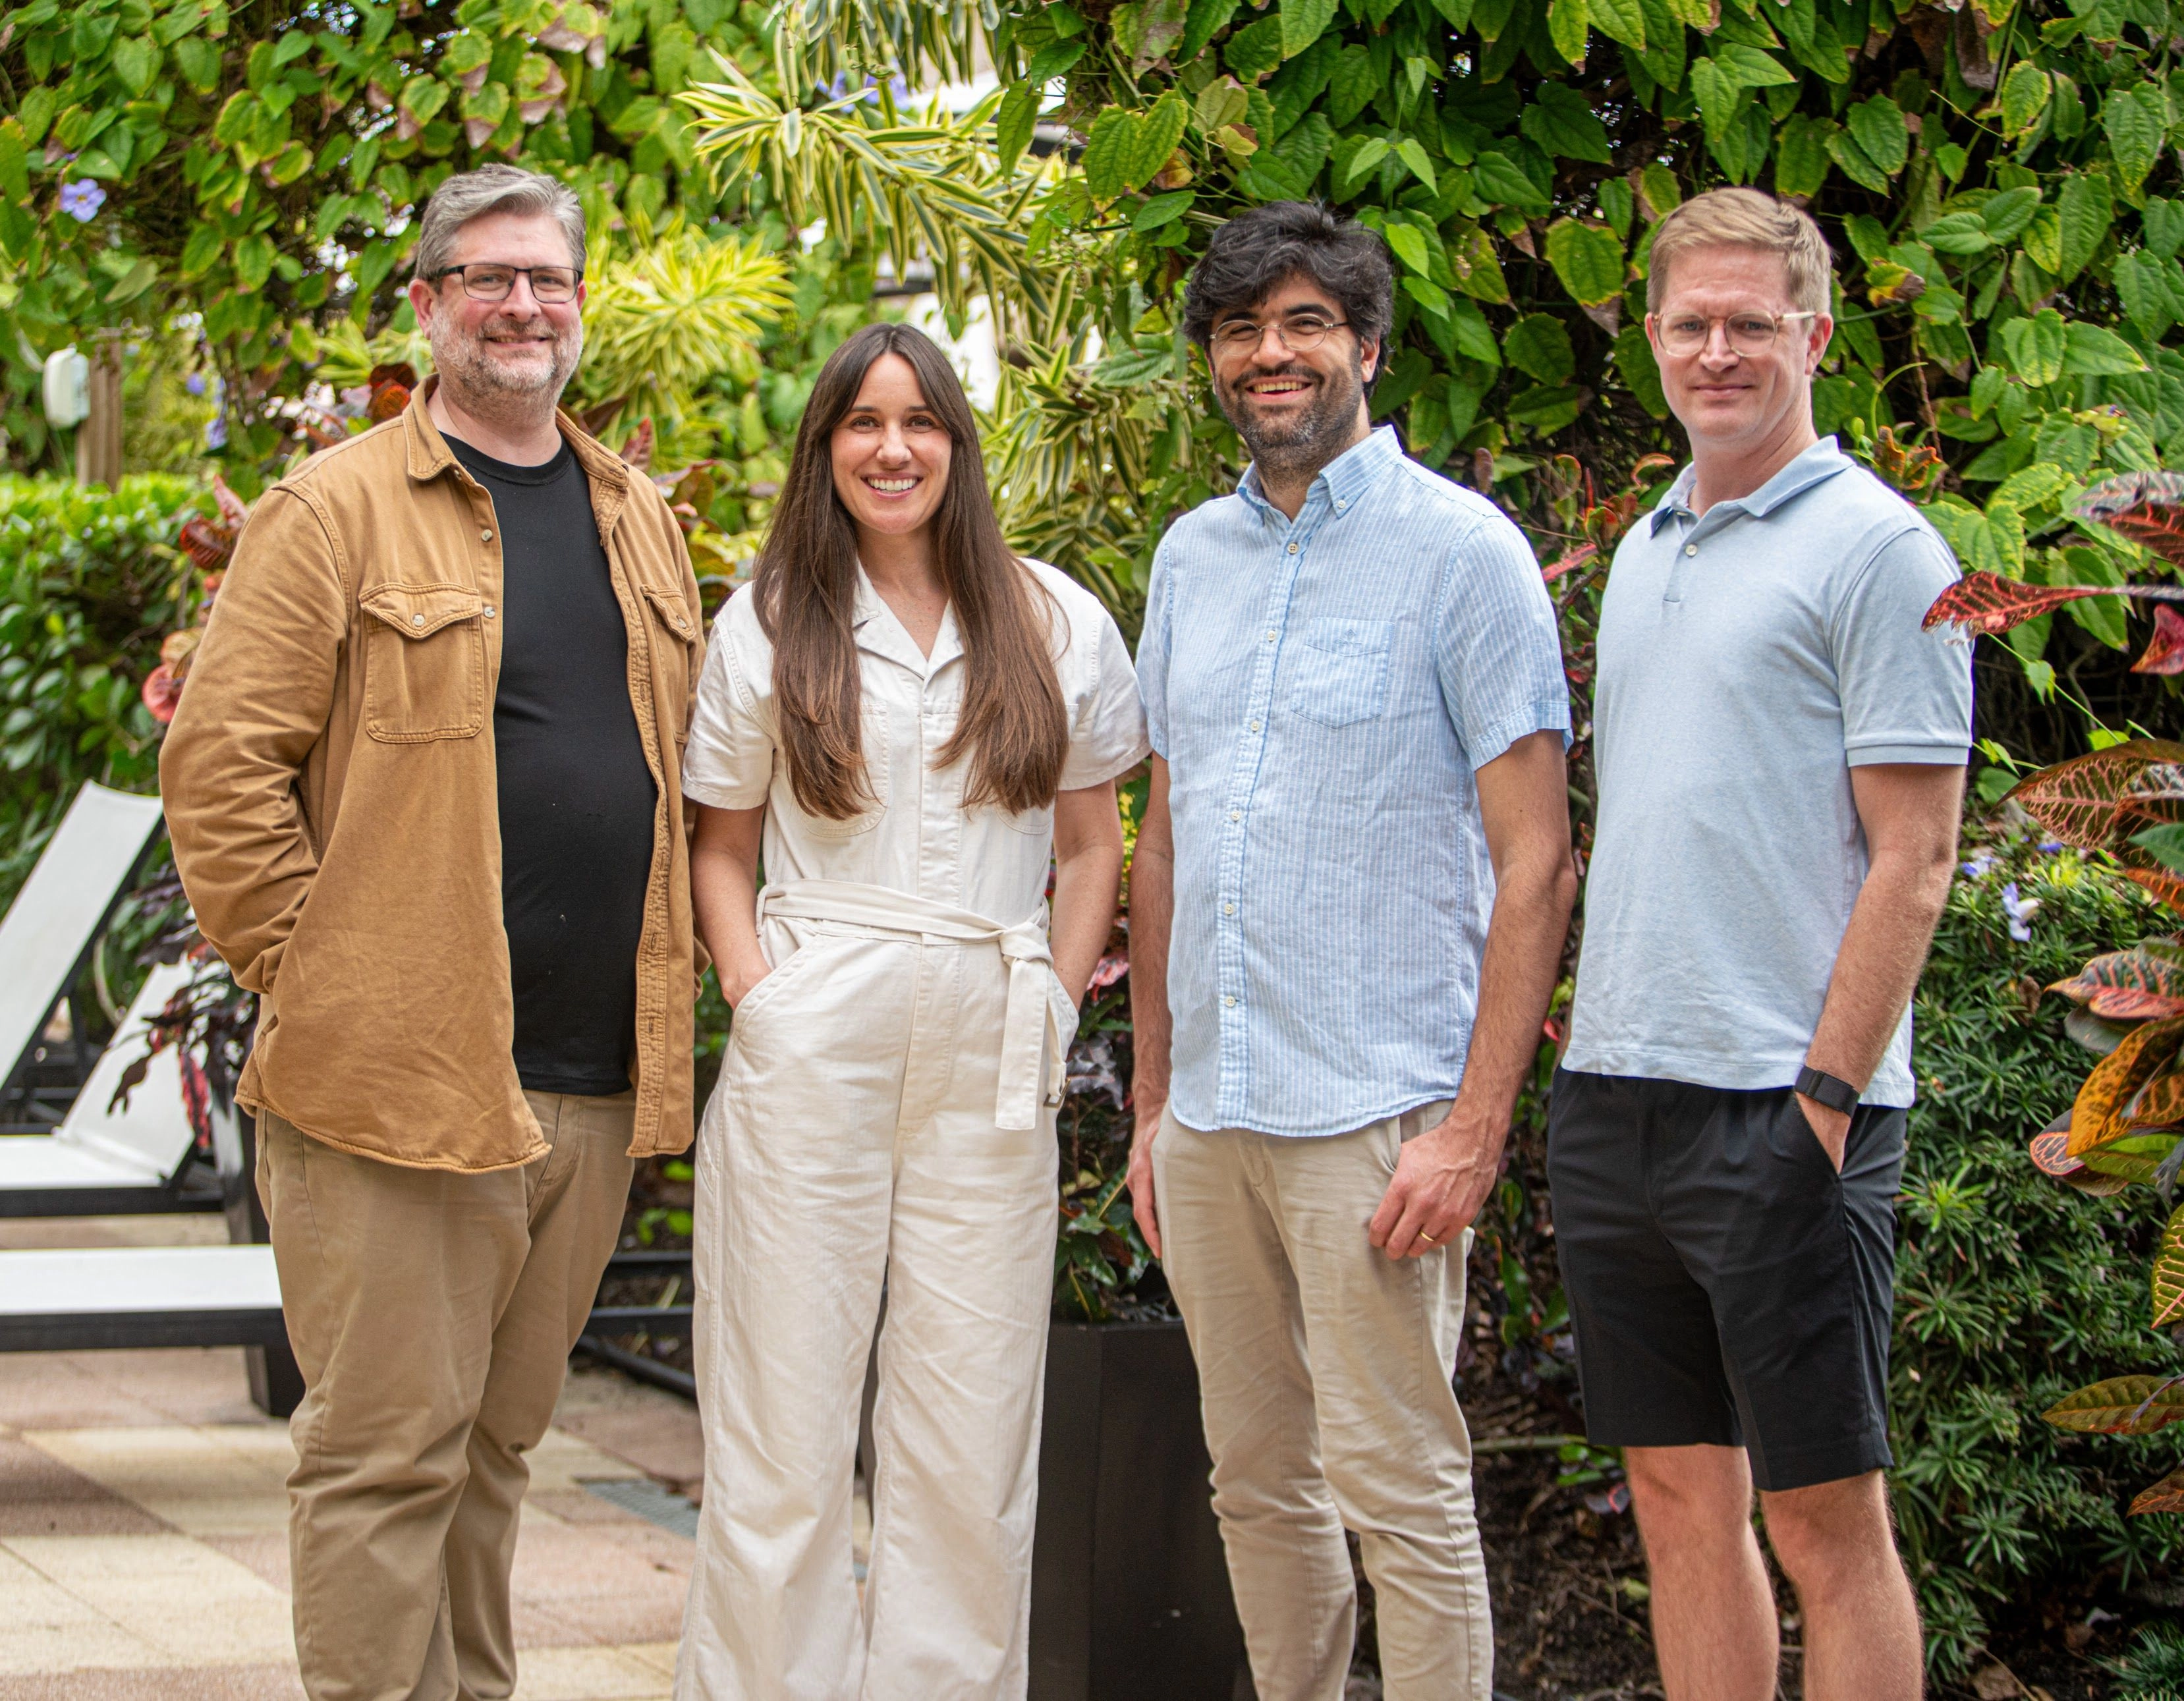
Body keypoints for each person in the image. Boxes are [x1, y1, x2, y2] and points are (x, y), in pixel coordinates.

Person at [160, 163, 706, 1701]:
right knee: (386, 1457)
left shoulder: (635, 517)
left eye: (547, 277)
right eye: (487, 277)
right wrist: (329, 978)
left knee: (494, 1455)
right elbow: (218, 771)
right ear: (427, 303)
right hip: (396, 1086)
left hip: (589, 1080)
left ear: (580, 303)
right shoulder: (334, 509)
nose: (521, 304)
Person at [1125, 200, 1579, 1701]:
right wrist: (1150, 1107)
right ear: (1212, 358)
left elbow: (1536, 858)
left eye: (1306, 322)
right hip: (1211, 1127)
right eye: (1245, 328)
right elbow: (1165, 840)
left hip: (1374, 1121)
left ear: (1366, 346)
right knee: (1254, 1484)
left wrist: (1472, 1125)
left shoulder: (1463, 555)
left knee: (1402, 1494)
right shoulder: (1190, 559)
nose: (1273, 354)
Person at [673, 321, 1148, 1700]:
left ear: (958, 441)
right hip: (816, 1018)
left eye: (920, 421)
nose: (893, 448)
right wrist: (755, 994)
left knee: (971, 1422)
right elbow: (718, 843)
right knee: (783, 1416)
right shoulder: (765, 619)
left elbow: (1091, 843)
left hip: (991, 1030)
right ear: (825, 448)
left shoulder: (1053, 616)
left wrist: (1054, 999)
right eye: (863, 423)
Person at [1549, 187, 1972, 1701]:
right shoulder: (1647, 550)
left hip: (1789, 1107)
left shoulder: (1885, 550)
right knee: (1678, 1507)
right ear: (1650, 340)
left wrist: (1826, 1098)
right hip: (1616, 1097)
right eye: (1687, 323)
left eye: (1748, 323)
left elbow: (1916, 857)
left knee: (1824, 1521)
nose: (1715, 350)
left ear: (1814, 330)